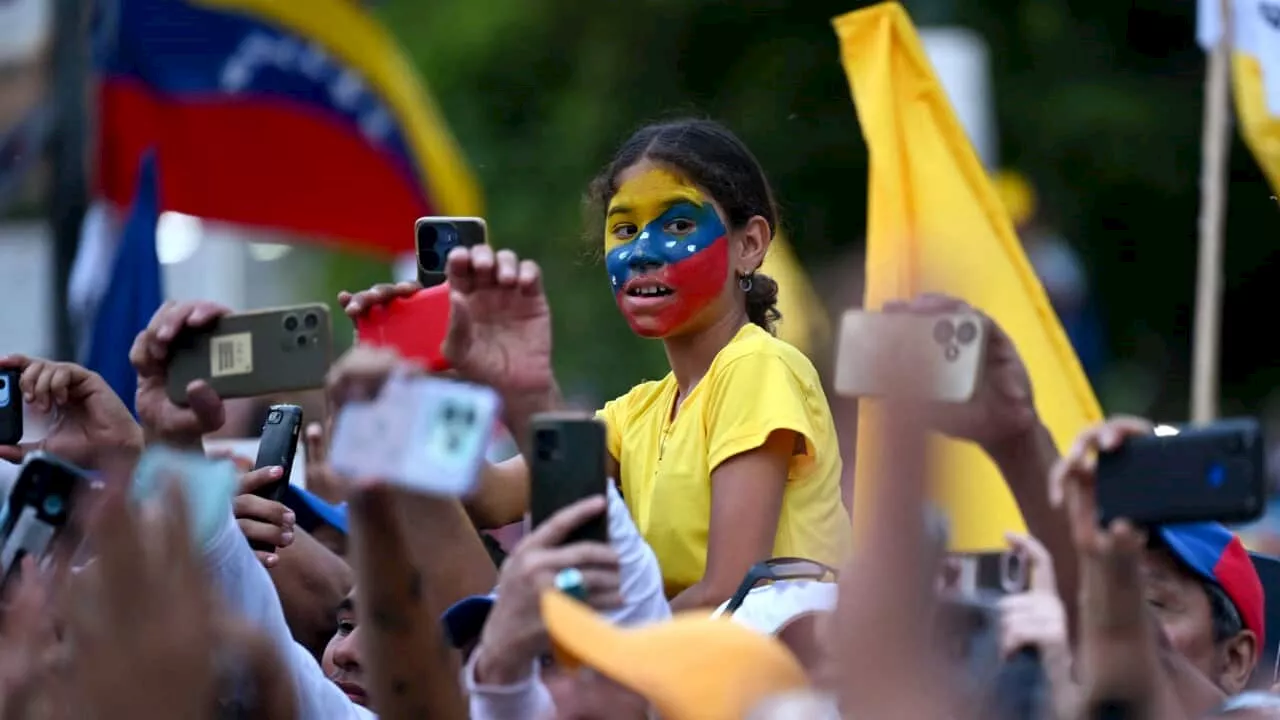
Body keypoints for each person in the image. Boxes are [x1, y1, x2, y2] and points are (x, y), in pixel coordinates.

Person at [343, 118, 852, 610]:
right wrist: (426, 377)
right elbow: (489, 498)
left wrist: (595, 655)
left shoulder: (757, 366)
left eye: (676, 223)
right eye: (625, 229)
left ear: (750, 245)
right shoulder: (636, 413)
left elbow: (728, 593)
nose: (641, 254)